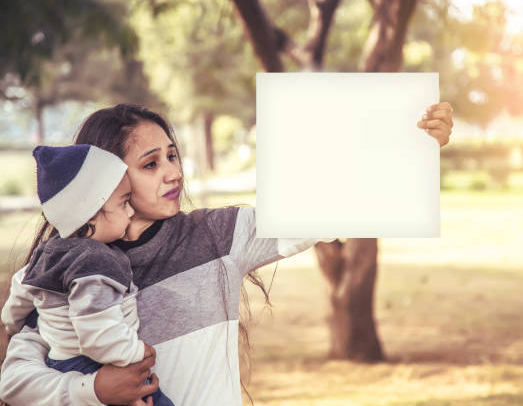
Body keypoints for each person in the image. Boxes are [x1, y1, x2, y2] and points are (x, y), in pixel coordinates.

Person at [0, 102, 453, 406]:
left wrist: (415, 147)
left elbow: (325, 208)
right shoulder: (68, 273)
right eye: (151, 164)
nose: (174, 172)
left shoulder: (217, 236)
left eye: (173, 155)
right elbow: (14, 383)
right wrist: (93, 388)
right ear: (104, 183)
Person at [1, 144, 174, 406]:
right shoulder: (95, 263)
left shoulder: (47, 252)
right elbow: (98, 335)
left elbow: (21, 291)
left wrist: (11, 323)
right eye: (124, 203)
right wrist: (137, 352)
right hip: (93, 365)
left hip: (58, 362)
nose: (130, 211)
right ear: (91, 214)